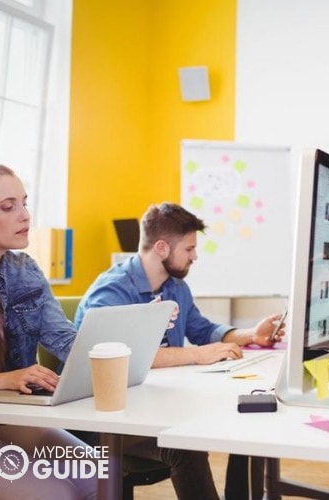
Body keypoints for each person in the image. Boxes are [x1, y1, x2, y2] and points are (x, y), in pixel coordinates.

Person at [75, 202, 285, 500]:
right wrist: (197, 355)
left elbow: (202, 329)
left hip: (152, 404)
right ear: (161, 248)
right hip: (104, 422)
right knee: (183, 445)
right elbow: (120, 358)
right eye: (188, 249)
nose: (194, 256)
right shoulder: (112, 292)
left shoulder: (175, 287)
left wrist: (252, 335)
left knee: (245, 417)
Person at [0, 162, 97, 499]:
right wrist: (5, 379)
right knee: (54, 494)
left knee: (95, 474)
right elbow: (7, 379)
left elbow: (64, 340)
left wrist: (112, 357)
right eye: (8, 207)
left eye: (24, 202)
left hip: (1, 415)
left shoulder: (24, 270)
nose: (25, 215)